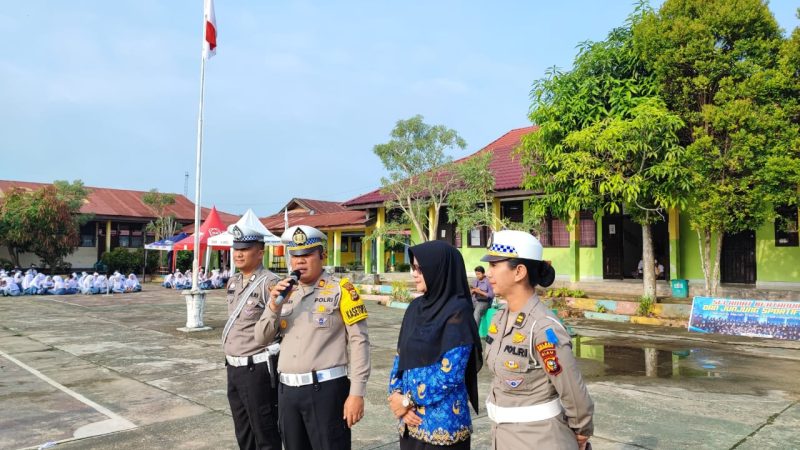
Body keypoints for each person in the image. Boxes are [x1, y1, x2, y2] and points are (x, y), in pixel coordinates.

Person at [256, 225, 370, 450]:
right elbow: (261, 338)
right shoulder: (285, 293)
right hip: (287, 392)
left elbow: (360, 342)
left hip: (325, 391)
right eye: (295, 256)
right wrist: (273, 305)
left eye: (307, 254)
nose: (300, 262)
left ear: (322, 255)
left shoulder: (341, 290)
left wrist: (357, 393)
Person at [481, 230, 594, 449]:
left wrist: (581, 430)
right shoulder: (499, 318)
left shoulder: (543, 327)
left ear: (519, 272)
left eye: (495, 265)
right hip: (503, 436)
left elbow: (573, 391)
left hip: (539, 439)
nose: (488, 273)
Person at [387, 240, 482, 449]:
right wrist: (395, 394)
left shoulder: (458, 313)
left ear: (440, 270)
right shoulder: (415, 308)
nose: (414, 274)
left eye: (420, 269)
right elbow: (400, 357)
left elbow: (450, 374)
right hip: (409, 423)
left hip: (444, 428)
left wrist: (407, 401)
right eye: (413, 268)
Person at [222, 223, 282, 450]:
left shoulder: (271, 283)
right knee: (243, 431)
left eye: (245, 249)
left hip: (256, 370)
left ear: (260, 252)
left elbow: (280, 324)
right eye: (236, 248)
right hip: (234, 367)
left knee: (265, 432)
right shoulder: (234, 282)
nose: (238, 253)